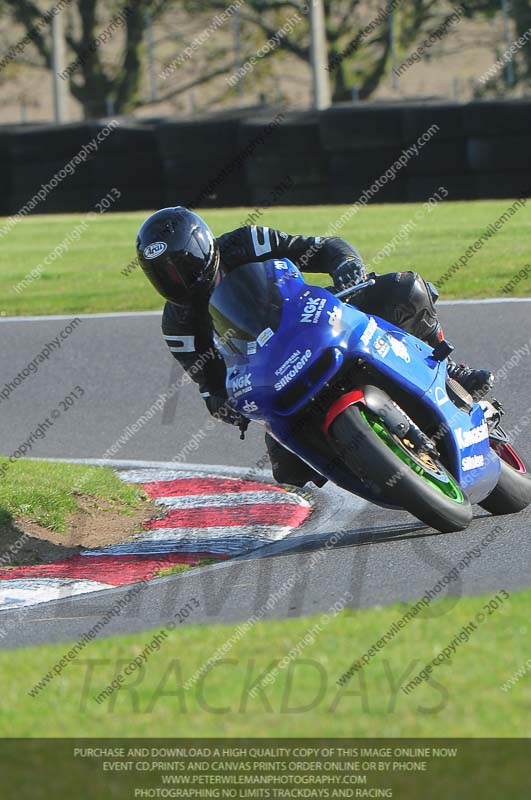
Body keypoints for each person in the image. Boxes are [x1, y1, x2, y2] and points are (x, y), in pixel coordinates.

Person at [136, 206, 493, 487]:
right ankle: (372, 465)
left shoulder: (246, 243)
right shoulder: (178, 324)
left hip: (317, 323)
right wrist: (222, 405)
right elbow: (210, 384)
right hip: (272, 374)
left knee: (404, 290)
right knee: (289, 468)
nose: (175, 280)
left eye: (179, 267)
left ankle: (451, 371)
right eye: (161, 274)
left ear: (201, 249)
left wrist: (347, 267)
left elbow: (325, 249)